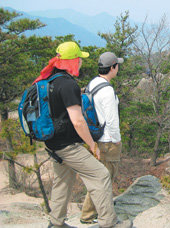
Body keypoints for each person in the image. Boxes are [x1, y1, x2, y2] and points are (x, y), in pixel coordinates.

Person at [35, 42, 118, 228]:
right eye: (79, 58)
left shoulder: (49, 80)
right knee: (101, 175)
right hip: (67, 146)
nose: (81, 62)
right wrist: (92, 145)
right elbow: (77, 121)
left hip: (52, 143)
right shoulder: (68, 85)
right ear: (72, 61)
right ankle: (109, 223)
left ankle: (56, 223)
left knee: (63, 181)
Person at [80, 52, 124, 224]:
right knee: (105, 179)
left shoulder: (94, 83)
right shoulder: (107, 90)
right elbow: (112, 119)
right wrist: (117, 139)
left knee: (98, 178)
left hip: (97, 137)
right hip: (108, 141)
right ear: (112, 68)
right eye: (117, 65)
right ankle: (89, 215)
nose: (118, 68)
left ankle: (92, 212)